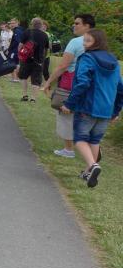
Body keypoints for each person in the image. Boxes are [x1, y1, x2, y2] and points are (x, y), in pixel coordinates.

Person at [61, 29, 123, 188]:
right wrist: (116, 110)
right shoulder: (114, 60)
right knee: (94, 140)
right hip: (106, 109)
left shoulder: (87, 58)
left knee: (80, 139)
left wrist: (69, 103)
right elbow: (120, 88)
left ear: (97, 42)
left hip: (87, 107)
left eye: (88, 41)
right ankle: (89, 172)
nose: (84, 44)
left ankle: (93, 166)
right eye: (84, 40)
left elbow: (82, 83)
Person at [42, 14, 94, 158]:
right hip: (91, 85)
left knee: (66, 114)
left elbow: (63, 65)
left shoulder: (75, 42)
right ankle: (90, 149)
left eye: (77, 23)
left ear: (87, 26)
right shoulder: (99, 42)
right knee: (85, 117)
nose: (74, 25)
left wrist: (48, 82)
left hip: (71, 83)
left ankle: (68, 149)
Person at [18, 17, 49, 102]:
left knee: (23, 77)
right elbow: (46, 49)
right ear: (41, 25)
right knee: (36, 80)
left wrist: (20, 54)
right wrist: (43, 58)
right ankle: (33, 98)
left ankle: (24, 95)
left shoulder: (27, 32)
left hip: (26, 59)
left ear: (32, 24)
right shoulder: (44, 35)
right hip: (38, 60)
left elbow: (20, 45)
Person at [8, 18, 25, 82]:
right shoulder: (18, 30)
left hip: (15, 50)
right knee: (17, 64)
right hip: (16, 50)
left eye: (13, 23)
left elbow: (17, 42)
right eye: (11, 23)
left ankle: (15, 78)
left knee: (12, 63)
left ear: (17, 23)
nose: (12, 24)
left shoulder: (17, 31)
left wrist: (10, 49)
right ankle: (16, 78)